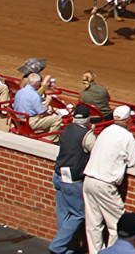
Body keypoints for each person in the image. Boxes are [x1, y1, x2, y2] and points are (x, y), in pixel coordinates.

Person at [83, 105, 135, 254]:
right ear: (128, 120)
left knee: (93, 224)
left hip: (89, 180)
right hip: (105, 184)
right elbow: (134, 161)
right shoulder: (126, 136)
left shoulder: (106, 131)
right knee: (117, 225)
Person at [50, 105, 96, 254]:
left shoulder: (67, 129)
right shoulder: (87, 135)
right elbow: (96, 152)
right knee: (78, 214)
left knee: (63, 214)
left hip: (58, 176)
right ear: (87, 119)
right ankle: (58, 246)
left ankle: (67, 249)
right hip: (72, 180)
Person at [13, 71, 63, 141]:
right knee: (57, 118)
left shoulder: (20, 91)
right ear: (37, 83)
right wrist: (47, 105)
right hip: (29, 121)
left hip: (18, 119)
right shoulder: (35, 96)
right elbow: (42, 114)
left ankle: (47, 134)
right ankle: (49, 139)